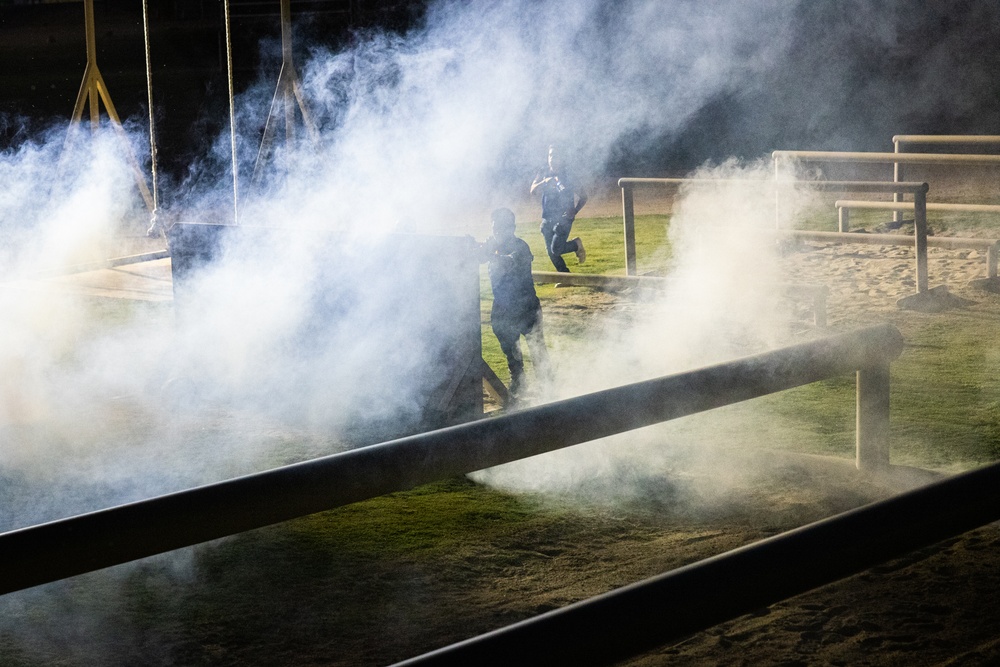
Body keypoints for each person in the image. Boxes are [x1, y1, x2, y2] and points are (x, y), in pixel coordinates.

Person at [478, 207, 551, 402]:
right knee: (509, 347)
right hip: (503, 307)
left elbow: (507, 263)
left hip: (526, 307)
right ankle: (519, 380)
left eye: (501, 228)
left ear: (512, 228)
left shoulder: (521, 247)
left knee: (537, 349)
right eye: (494, 229)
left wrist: (489, 252)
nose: (497, 233)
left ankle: (548, 387)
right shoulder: (493, 245)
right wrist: (474, 247)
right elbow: (477, 257)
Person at [530, 144, 588, 272]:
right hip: (547, 217)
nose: (552, 159)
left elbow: (584, 196)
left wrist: (575, 210)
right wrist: (544, 182)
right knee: (551, 252)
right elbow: (532, 190)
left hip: (564, 218)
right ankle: (565, 276)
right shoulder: (543, 172)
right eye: (550, 155)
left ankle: (576, 244)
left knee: (556, 249)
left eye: (555, 156)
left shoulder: (569, 175)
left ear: (562, 158)